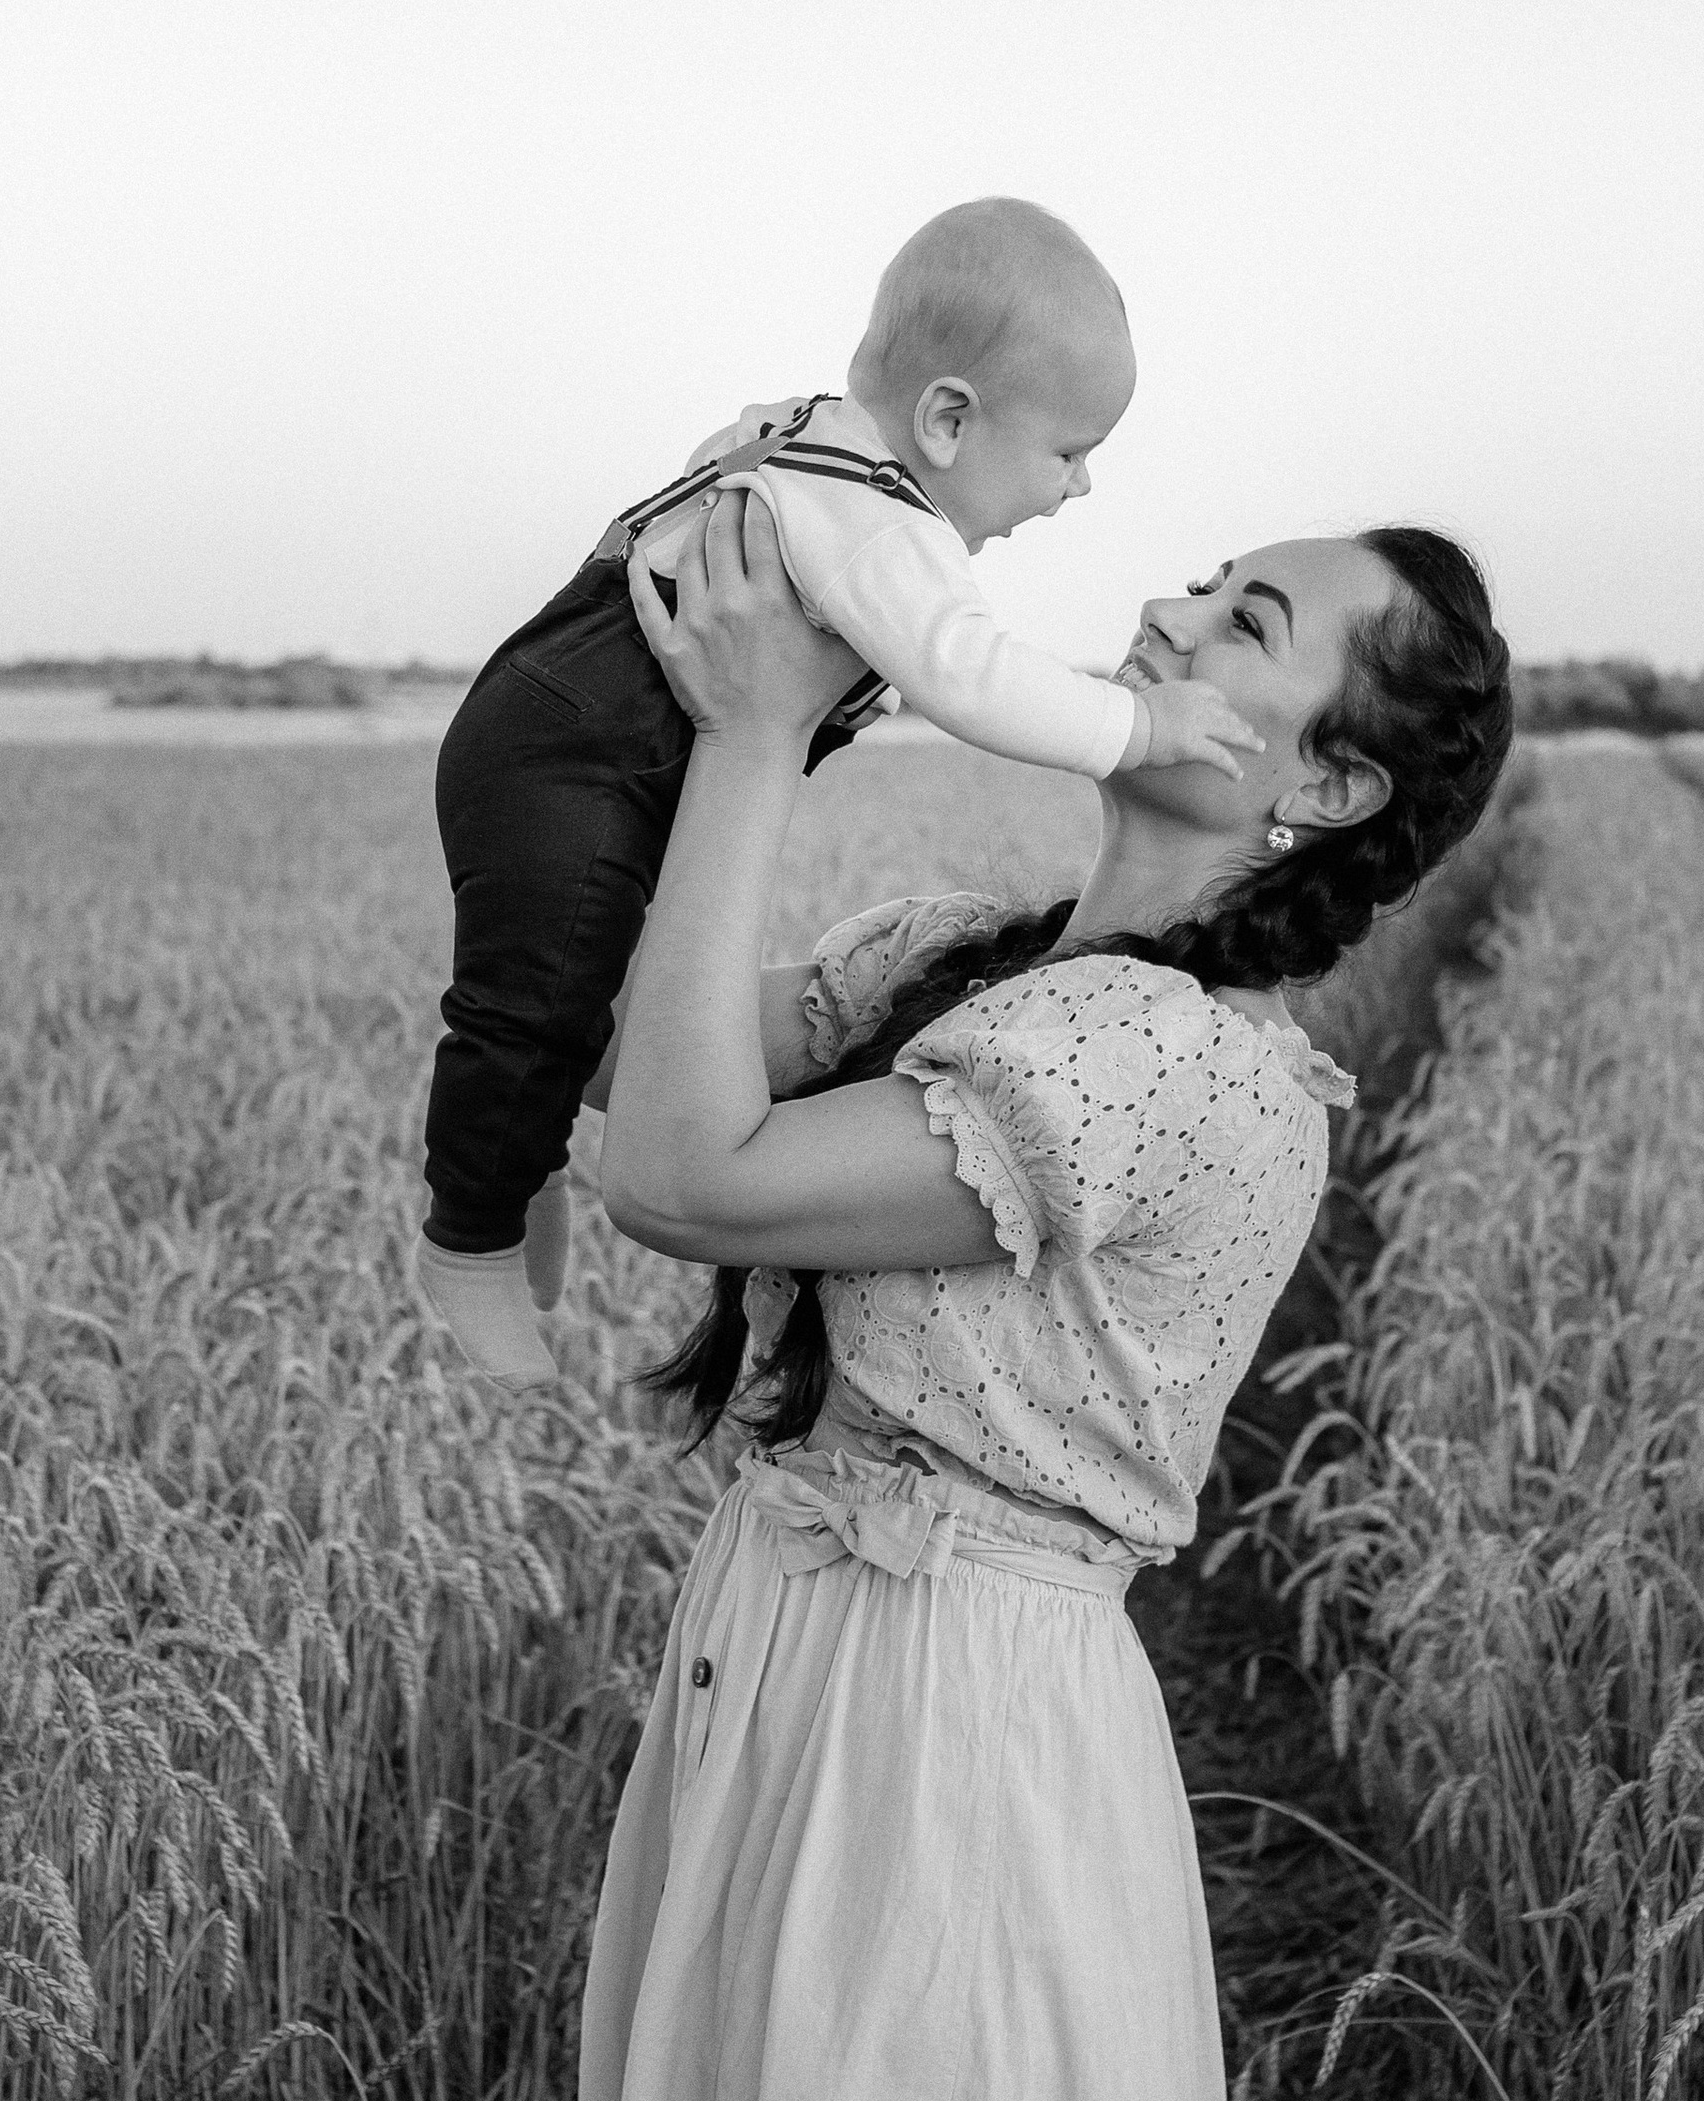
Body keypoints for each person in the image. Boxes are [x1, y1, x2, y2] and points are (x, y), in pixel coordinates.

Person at [494, 489, 1515, 2101]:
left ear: (1323, 781)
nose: (1164, 607)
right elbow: (604, 1046)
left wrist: (753, 744)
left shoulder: (1182, 1073)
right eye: (1202, 576)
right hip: (781, 1672)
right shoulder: (967, 958)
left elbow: (681, 1177)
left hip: (944, 1748)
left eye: (1246, 623)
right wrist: (740, 615)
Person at [416, 198, 1267, 1384]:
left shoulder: (811, 443)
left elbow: (720, 466)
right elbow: (972, 677)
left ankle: (515, 1162)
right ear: (949, 420)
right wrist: (1138, 726)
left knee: (571, 992)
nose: (1078, 489)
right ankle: (467, 1241)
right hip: (575, 744)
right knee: (529, 1000)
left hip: (576, 727)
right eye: (1069, 452)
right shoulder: (881, 520)